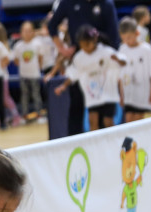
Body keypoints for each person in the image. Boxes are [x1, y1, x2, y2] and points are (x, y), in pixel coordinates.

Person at [48, 0, 121, 136]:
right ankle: (75, 142)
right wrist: (62, 49)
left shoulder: (106, 4)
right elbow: (52, 25)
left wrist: (111, 63)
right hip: (79, 59)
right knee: (77, 105)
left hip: (102, 62)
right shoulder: (68, 3)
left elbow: (114, 39)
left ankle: (107, 142)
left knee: (104, 112)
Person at [54, 25, 125, 131]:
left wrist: (118, 60)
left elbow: (122, 63)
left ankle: (114, 143)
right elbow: (74, 74)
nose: (85, 48)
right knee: (93, 122)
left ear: (95, 40)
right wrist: (63, 86)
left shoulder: (106, 52)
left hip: (108, 93)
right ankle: (95, 147)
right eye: (82, 45)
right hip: (92, 95)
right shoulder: (79, 57)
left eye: (87, 44)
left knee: (108, 122)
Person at [118, 18, 151, 122]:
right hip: (128, 92)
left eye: (129, 37)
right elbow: (120, 74)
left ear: (137, 33)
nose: (127, 41)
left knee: (138, 119)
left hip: (143, 92)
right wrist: (121, 94)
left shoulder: (146, 49)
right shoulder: (122, 48)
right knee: (128, 119)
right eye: (124, 38)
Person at [13, 21, 44, 122]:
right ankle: (25, 116)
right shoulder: (18, 46)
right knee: (24, 96)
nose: (27, 33)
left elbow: (40, 58)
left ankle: (39, 114)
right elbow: (16, 60)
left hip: (35, 74)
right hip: (23, 74)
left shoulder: (37, 44)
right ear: (21, 32)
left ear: (33, 32)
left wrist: (38, 68)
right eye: (25, 31)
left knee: (36, 95)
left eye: (29, 31)